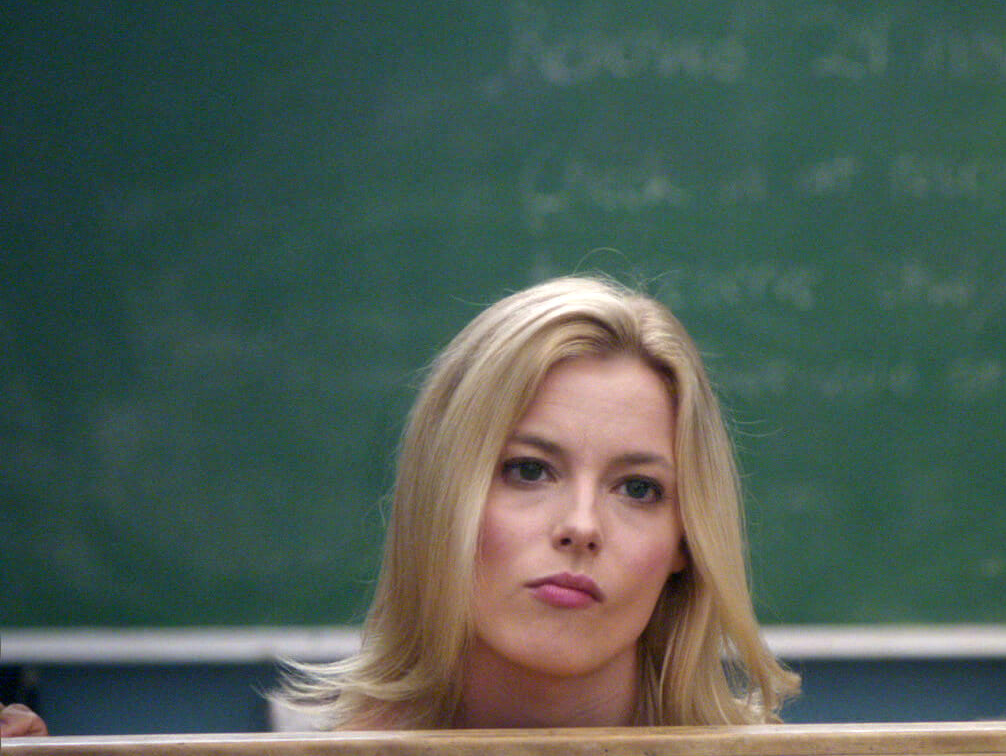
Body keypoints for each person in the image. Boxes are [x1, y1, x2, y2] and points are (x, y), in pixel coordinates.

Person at [276, 276, 797, 729]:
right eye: (529, 471)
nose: (581, 526)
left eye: (638, 488)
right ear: (442, 497)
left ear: (687, 540)